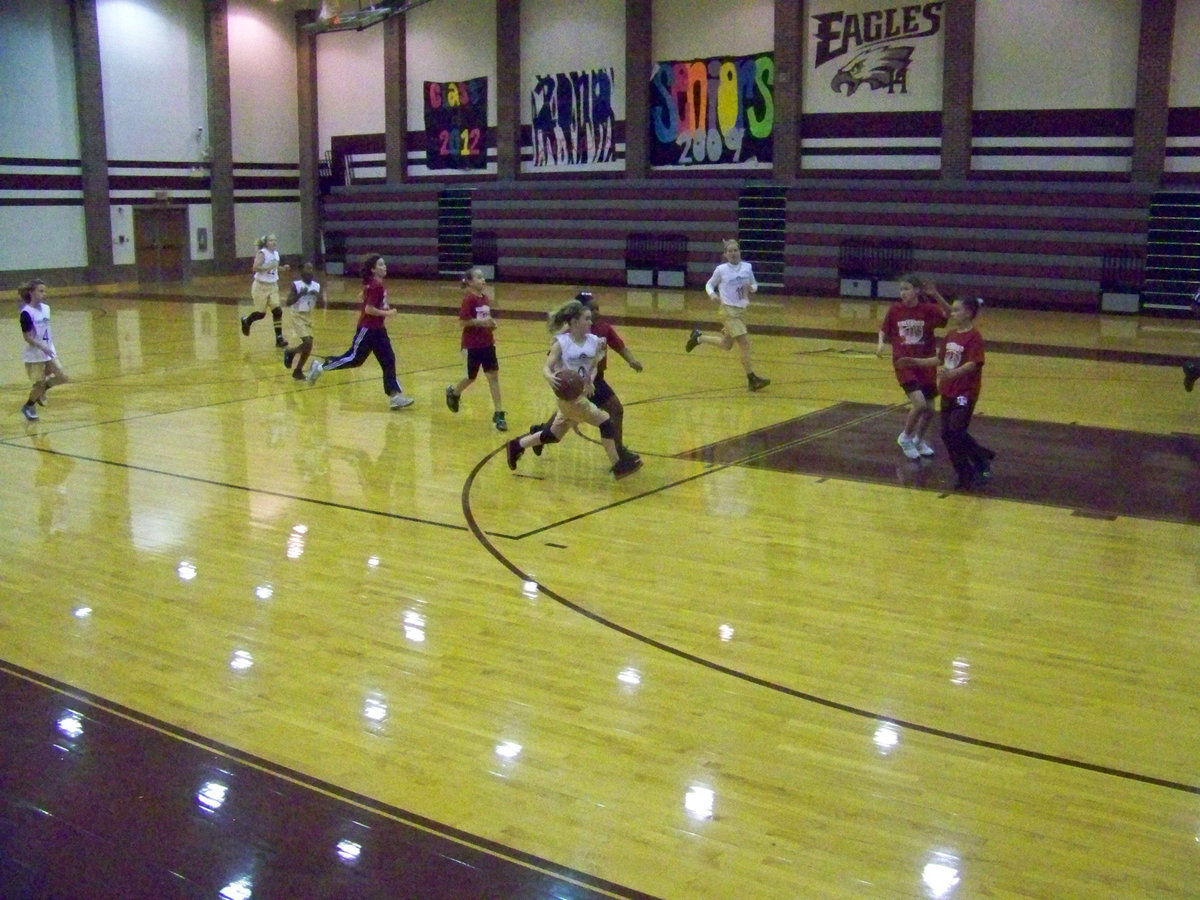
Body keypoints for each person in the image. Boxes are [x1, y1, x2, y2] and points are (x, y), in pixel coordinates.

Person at [505, 298, 642, 479]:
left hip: (583, 391)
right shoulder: (561, 342)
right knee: (606, 423)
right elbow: (547, 367)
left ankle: (517, 445)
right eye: (587, 318)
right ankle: (618, 465)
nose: (591, 321)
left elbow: (593, 365)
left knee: (554, 434)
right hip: (570, 397)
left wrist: (589, 381)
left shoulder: (594, 340)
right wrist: (549, 377)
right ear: (575, 322)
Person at [898, 297, 995, 490]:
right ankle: (964, 472)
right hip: (948, 391)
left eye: (957, 310)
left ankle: (982, 458)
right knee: (946, 434)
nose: (953, 313)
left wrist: (953, 373)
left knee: (956, 431)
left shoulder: (974, 337)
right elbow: (939, 359)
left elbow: (973, 364)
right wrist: (915, 361)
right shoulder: (951, 335)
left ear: (968, 313)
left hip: (964, 393)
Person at [305, 254, 415, 410]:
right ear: (373, 269)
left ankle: (395, 396)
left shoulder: (374, 284)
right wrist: (388, 313)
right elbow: (369, 309)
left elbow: (365, 296)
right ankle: (321, 367)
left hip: (379, 331)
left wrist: (366, 295)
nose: (385, 267)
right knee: (354, 359)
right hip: (368, 329)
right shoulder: (376, 286)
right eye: (381, 265)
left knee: (389, 360)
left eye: (384, 264)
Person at [876, 274, 951, 459]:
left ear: (916, 290)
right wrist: (880, 343)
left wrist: (936, 295)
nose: (903, 293)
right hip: (904, 363)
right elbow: (884, 330)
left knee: (930, 410)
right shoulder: (895, 310)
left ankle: (918, 439)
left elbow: (949, 314)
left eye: (907, 289)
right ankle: (906, 437)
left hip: (925, 363)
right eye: (901, 289)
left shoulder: (928, 309)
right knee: (919, 403)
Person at [685, 238, 769, 391]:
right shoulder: (721, 270)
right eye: (729, 251)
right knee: (744, 343)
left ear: (739, 252)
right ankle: (752, 378)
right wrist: (711, 294)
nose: (733, 253)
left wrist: (752, 288)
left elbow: (754, 284)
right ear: (725, 254)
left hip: (742, 311)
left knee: (726, 344)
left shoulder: (747, 267)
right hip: (728, 311)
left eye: (735, 250)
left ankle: (698, 338)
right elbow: (709, 284)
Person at [444, 267, 506, 431]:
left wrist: (491, 324)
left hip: (487, 343)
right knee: (470, 377)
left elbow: (484, 318)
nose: (483, 280)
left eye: (483, 277)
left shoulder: (485, 298)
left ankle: (499, 413)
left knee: (493, 377)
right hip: (472, 345)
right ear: (470, 282)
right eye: (479, 278)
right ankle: (454, 393)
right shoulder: (469, 299)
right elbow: (463, 322)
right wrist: (481, 323)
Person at [18, 279, 68, 422]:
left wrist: (48, 347)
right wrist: (42, 346)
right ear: (31, 292)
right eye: (40, 291)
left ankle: (41, 392)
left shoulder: (46, 308)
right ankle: (28, 406)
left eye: (44, 291)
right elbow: (27, 337)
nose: (44, 294)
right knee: (38, 384)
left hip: (48, 351)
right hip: (35, 355)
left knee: (62, 377)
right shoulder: (26, 313)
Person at [240, 233, 290, 347]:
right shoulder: (262, 253)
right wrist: (267, 266)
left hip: (273, 286)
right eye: (271, 240)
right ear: (266, 243)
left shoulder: (276, 254)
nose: (274, 242)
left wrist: (282, 268)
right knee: (260, 314)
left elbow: (274, 269)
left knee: (278, 311)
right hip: (260, 286)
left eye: (275, 240)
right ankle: (246, 321)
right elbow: (255, 268)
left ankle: (279, 338)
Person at [281, 263, 326, 380]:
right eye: (307, 268)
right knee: (308, 342)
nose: (310, 271)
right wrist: (300, 295)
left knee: (308, 346)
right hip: (296, 314)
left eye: (311, 268)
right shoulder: (296, 285)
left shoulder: (316, 286)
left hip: (308, 316)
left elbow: (322, 305)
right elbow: (288, 302)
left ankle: (297, 369)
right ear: (302, 272)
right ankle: (291, 354)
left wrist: (318, 297)